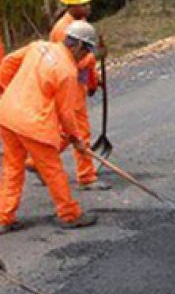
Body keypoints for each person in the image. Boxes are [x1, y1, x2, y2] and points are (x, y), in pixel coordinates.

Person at [0, 22, 101, 233]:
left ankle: (3, 217)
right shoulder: (67, 72)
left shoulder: (38, 46)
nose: (85, 56)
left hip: (7, 115)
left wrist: (8, 90)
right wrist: (76, 140)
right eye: (86, 50)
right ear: (78, 45)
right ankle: (69, 214)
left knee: (12, 168)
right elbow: (66, 114)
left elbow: (7, 63)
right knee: (53, 170)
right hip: (32, 123)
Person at [50, 0, 109, 192]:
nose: (89, 7)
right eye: (85, 4)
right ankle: (86, 176)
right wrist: (95, 56)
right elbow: (70, 65)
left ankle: (37, 161)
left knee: (69, 132)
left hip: (78, 84)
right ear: (72, 6)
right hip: (69, 86)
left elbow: (85, 62)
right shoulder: (63, 30)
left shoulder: (80, 24)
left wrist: (94, 80)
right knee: (79, 131)